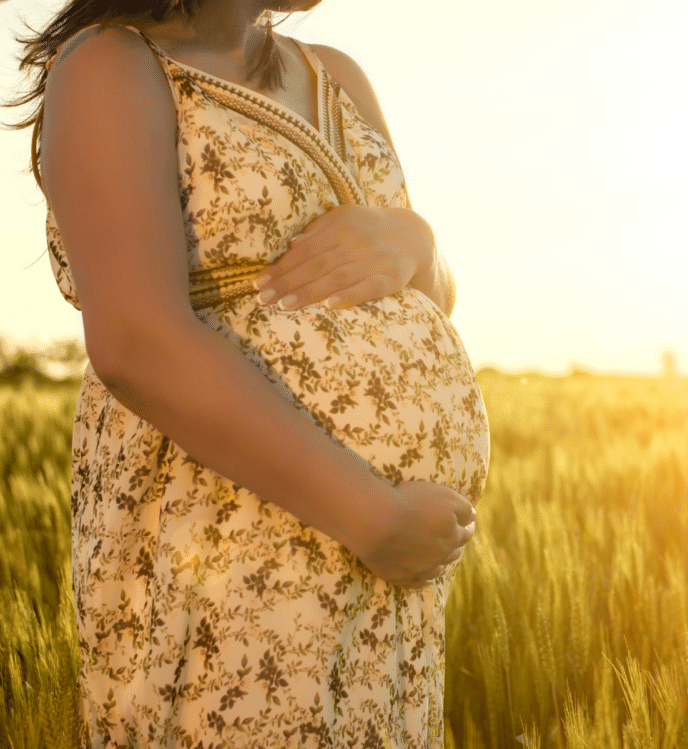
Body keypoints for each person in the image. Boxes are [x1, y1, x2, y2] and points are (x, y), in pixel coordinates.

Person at [7, 0, 490, 745]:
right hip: (233, 543)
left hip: (381, 582)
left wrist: (416, 245)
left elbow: (429, 293)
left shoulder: (338, 78)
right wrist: (374, 517)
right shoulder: (114, 67)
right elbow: (138, 340)